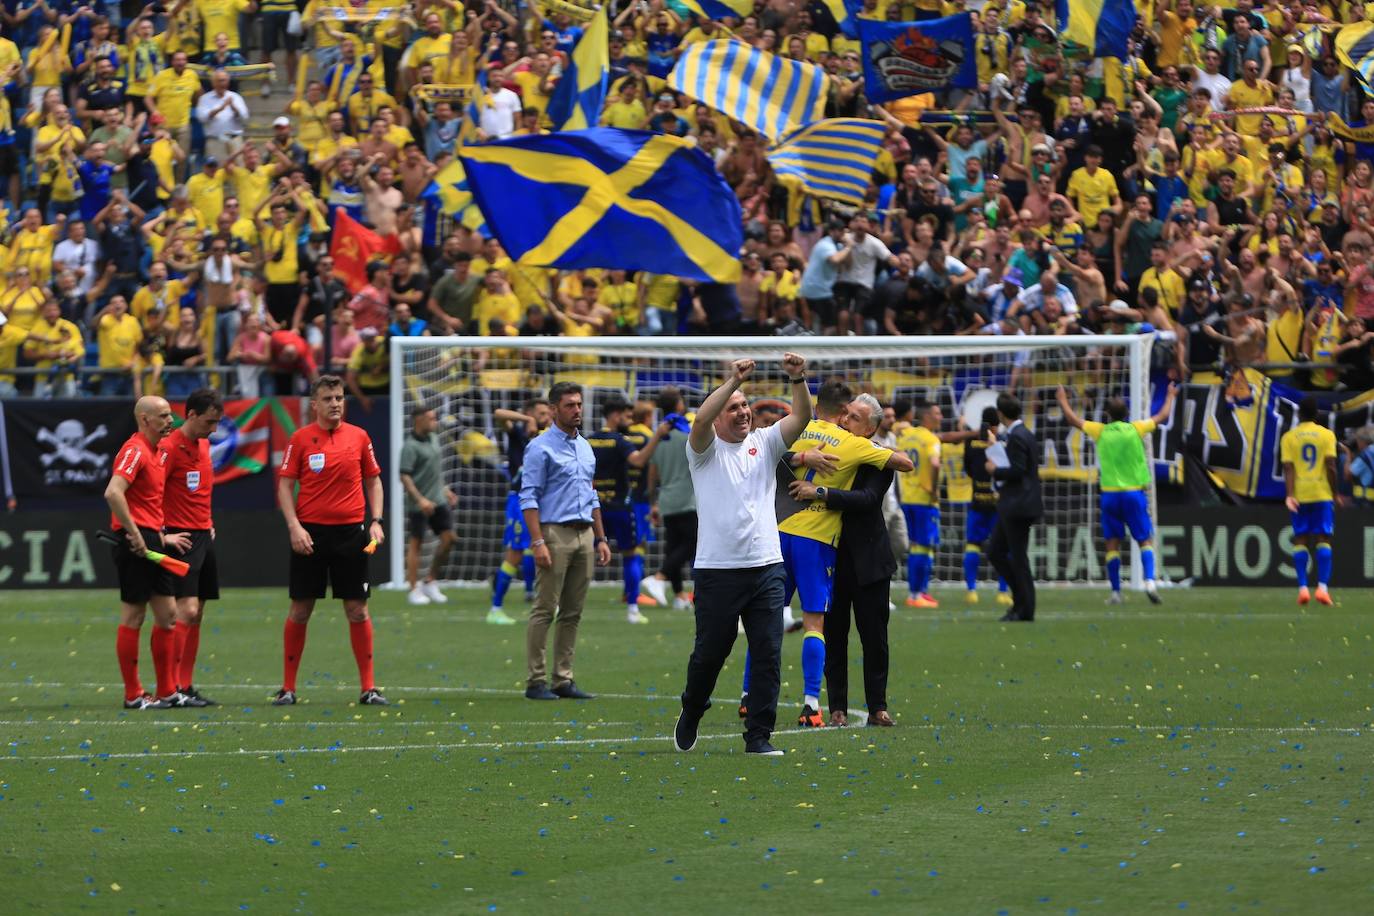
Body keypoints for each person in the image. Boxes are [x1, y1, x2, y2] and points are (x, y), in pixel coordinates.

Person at [674, 353, 811, 758]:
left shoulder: (765, 443)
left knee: (768, 653)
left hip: (767, 567)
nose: (743, 412)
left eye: (746, 406)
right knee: (710, 653)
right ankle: (692, 708)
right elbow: (700, 422)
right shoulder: (703, 451)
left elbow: (801, 418)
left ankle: (758, 736)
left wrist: (798, 378)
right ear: (719, 416)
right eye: (733, 407)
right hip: (718, 572)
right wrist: (732, 382)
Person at [770, 378, 911, 728]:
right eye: (846, 413)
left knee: (874, 636)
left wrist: (820, 492)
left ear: (872, 427)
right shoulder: (823, 439)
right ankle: (837, 708)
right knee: (834, 634)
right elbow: (776, 454)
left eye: (855, 416)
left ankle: (878, 706)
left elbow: (866, 501)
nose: (846, 418)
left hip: (868, 558)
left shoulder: (877, 459)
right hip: (829, 553)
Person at [274, 375, 388, 707]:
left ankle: (368, 688)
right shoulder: (300, 439)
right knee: (300, 609)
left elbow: (374, 481)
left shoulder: (359, 437)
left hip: (352, 535)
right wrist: (295, 527)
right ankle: (288, 688)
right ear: (314, 405)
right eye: (328, 398)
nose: (335, 403)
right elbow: (284, 487)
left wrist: (376, 521)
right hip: (310, 534)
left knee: (357, 609)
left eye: (339, 397)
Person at [519, 381, 613, 701]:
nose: (577, 410)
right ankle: (535, 680)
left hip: (584, 532)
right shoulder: (540, 447)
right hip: (554, 531)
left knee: (573, 611)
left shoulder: (585, 446)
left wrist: (600, 537)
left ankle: (563, 678)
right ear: (555, 409)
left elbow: (592, 494)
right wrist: (537, 542)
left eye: (579, 404)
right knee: (545, 607)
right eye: (570, 405)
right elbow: (528, 497)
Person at [104, 396, 193, 710]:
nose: (171, 421)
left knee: (168, 616)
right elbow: (114, 492)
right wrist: (134, 532)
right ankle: (133, 695)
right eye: (164, 416)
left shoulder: (157, 452)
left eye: (170, 415)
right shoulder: (135, 450)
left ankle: (167, 691)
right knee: (134, 615)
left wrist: (160, 538)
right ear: (144, 419)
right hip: (135, 543)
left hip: (152, 541)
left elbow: (147, 503)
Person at [1057, 384, 1178, 605]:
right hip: (1133, 493)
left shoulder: (1100, 431)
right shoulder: (1135, 429)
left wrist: (1063, 399)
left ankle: (1115, 592)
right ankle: (1150, 581)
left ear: (1107, 415)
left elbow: (1073, 420)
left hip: (1110, 496)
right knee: (1145, 540)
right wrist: (1170, 395)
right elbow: (1162, 415)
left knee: (1112, 543)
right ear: (1127, 415)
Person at [159, 388, 224, 707]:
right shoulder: (169, 447)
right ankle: (170, 687)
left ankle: (184, 684)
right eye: (209, 422)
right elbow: (151, 492)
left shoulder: (204, 444)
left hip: (202, 536)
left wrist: (208, 521)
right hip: (179, 536)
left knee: (198, 614)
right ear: (191, 415)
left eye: (217, 423)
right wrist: (162, 534)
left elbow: (201, 490)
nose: (213, 430)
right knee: (186, 610)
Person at [587, 396, 667, 624]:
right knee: (630, 555)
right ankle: (632, 609)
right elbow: (639, 460)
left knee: (581, 556)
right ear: (614, 415)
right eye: (626, 416)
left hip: (594, 509)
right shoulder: (620, 441)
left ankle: (561, 604)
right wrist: (658, 436)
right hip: (620, 508)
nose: (629, 420)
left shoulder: (589, 440)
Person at [489, 398, 551, 625]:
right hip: (520, 501)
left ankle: (540, 601)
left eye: (547, 413)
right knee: (514, 554)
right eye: (541, 413)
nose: (546, 417)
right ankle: (495, 608)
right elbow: (498, 412)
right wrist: (527, 420)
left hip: (542, 501)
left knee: (542, 550)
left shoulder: (548, 438)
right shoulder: (517, 434)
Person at [984, 393, 1043, 622]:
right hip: (1017, 504)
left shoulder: (1017, 436)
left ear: (1000, 413)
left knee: (1017, 557)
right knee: (996, 552)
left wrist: (994, 470)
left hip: (1018, 504)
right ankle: (1020, 602)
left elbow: (1017, 470)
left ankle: (1024, 608)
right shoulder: (1022, 433)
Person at [1280, 397, 1341, 607]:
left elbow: (1288, 468)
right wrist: (1335, 492)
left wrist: (1289, 494)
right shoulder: (1326, 435)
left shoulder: (1289, 437)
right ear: (1316, 414)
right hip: (1321, 492)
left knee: (1300, 539)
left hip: (1300, 493)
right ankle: (1322, 589)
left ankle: (1303, 588)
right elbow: (1331, 466)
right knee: (1324, 538)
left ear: (1298, 414)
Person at [642, 386, 696, 610]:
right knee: (693, 543)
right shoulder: (688, 435)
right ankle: (660, 576)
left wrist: (653, 501)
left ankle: (679, 596)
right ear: (679, 405)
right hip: (687, 497)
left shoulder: (658, 436)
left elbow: (652, 473)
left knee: (673, 546)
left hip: (666, 498)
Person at [401, 405, 458, 606]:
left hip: (438, 499)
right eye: (431, 418)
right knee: (417, 543)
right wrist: (420, 500)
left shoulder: (434, 439)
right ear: (419, 420)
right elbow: (405, 476)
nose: (435, 421)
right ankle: (413, 589)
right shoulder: (409, 446)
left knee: (449, 539)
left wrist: (445, 490)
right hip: (419, 504)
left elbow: (434, 471)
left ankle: (430, 581)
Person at [962, 406, 1011, 607]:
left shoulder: (970, 443)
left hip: (977, 501)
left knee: (973, 544)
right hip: (998, 504)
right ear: (995, 425)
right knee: (1004, 547)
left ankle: (971, 590)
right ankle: (1002, 591)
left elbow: (969, 470)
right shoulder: (1002, 443)